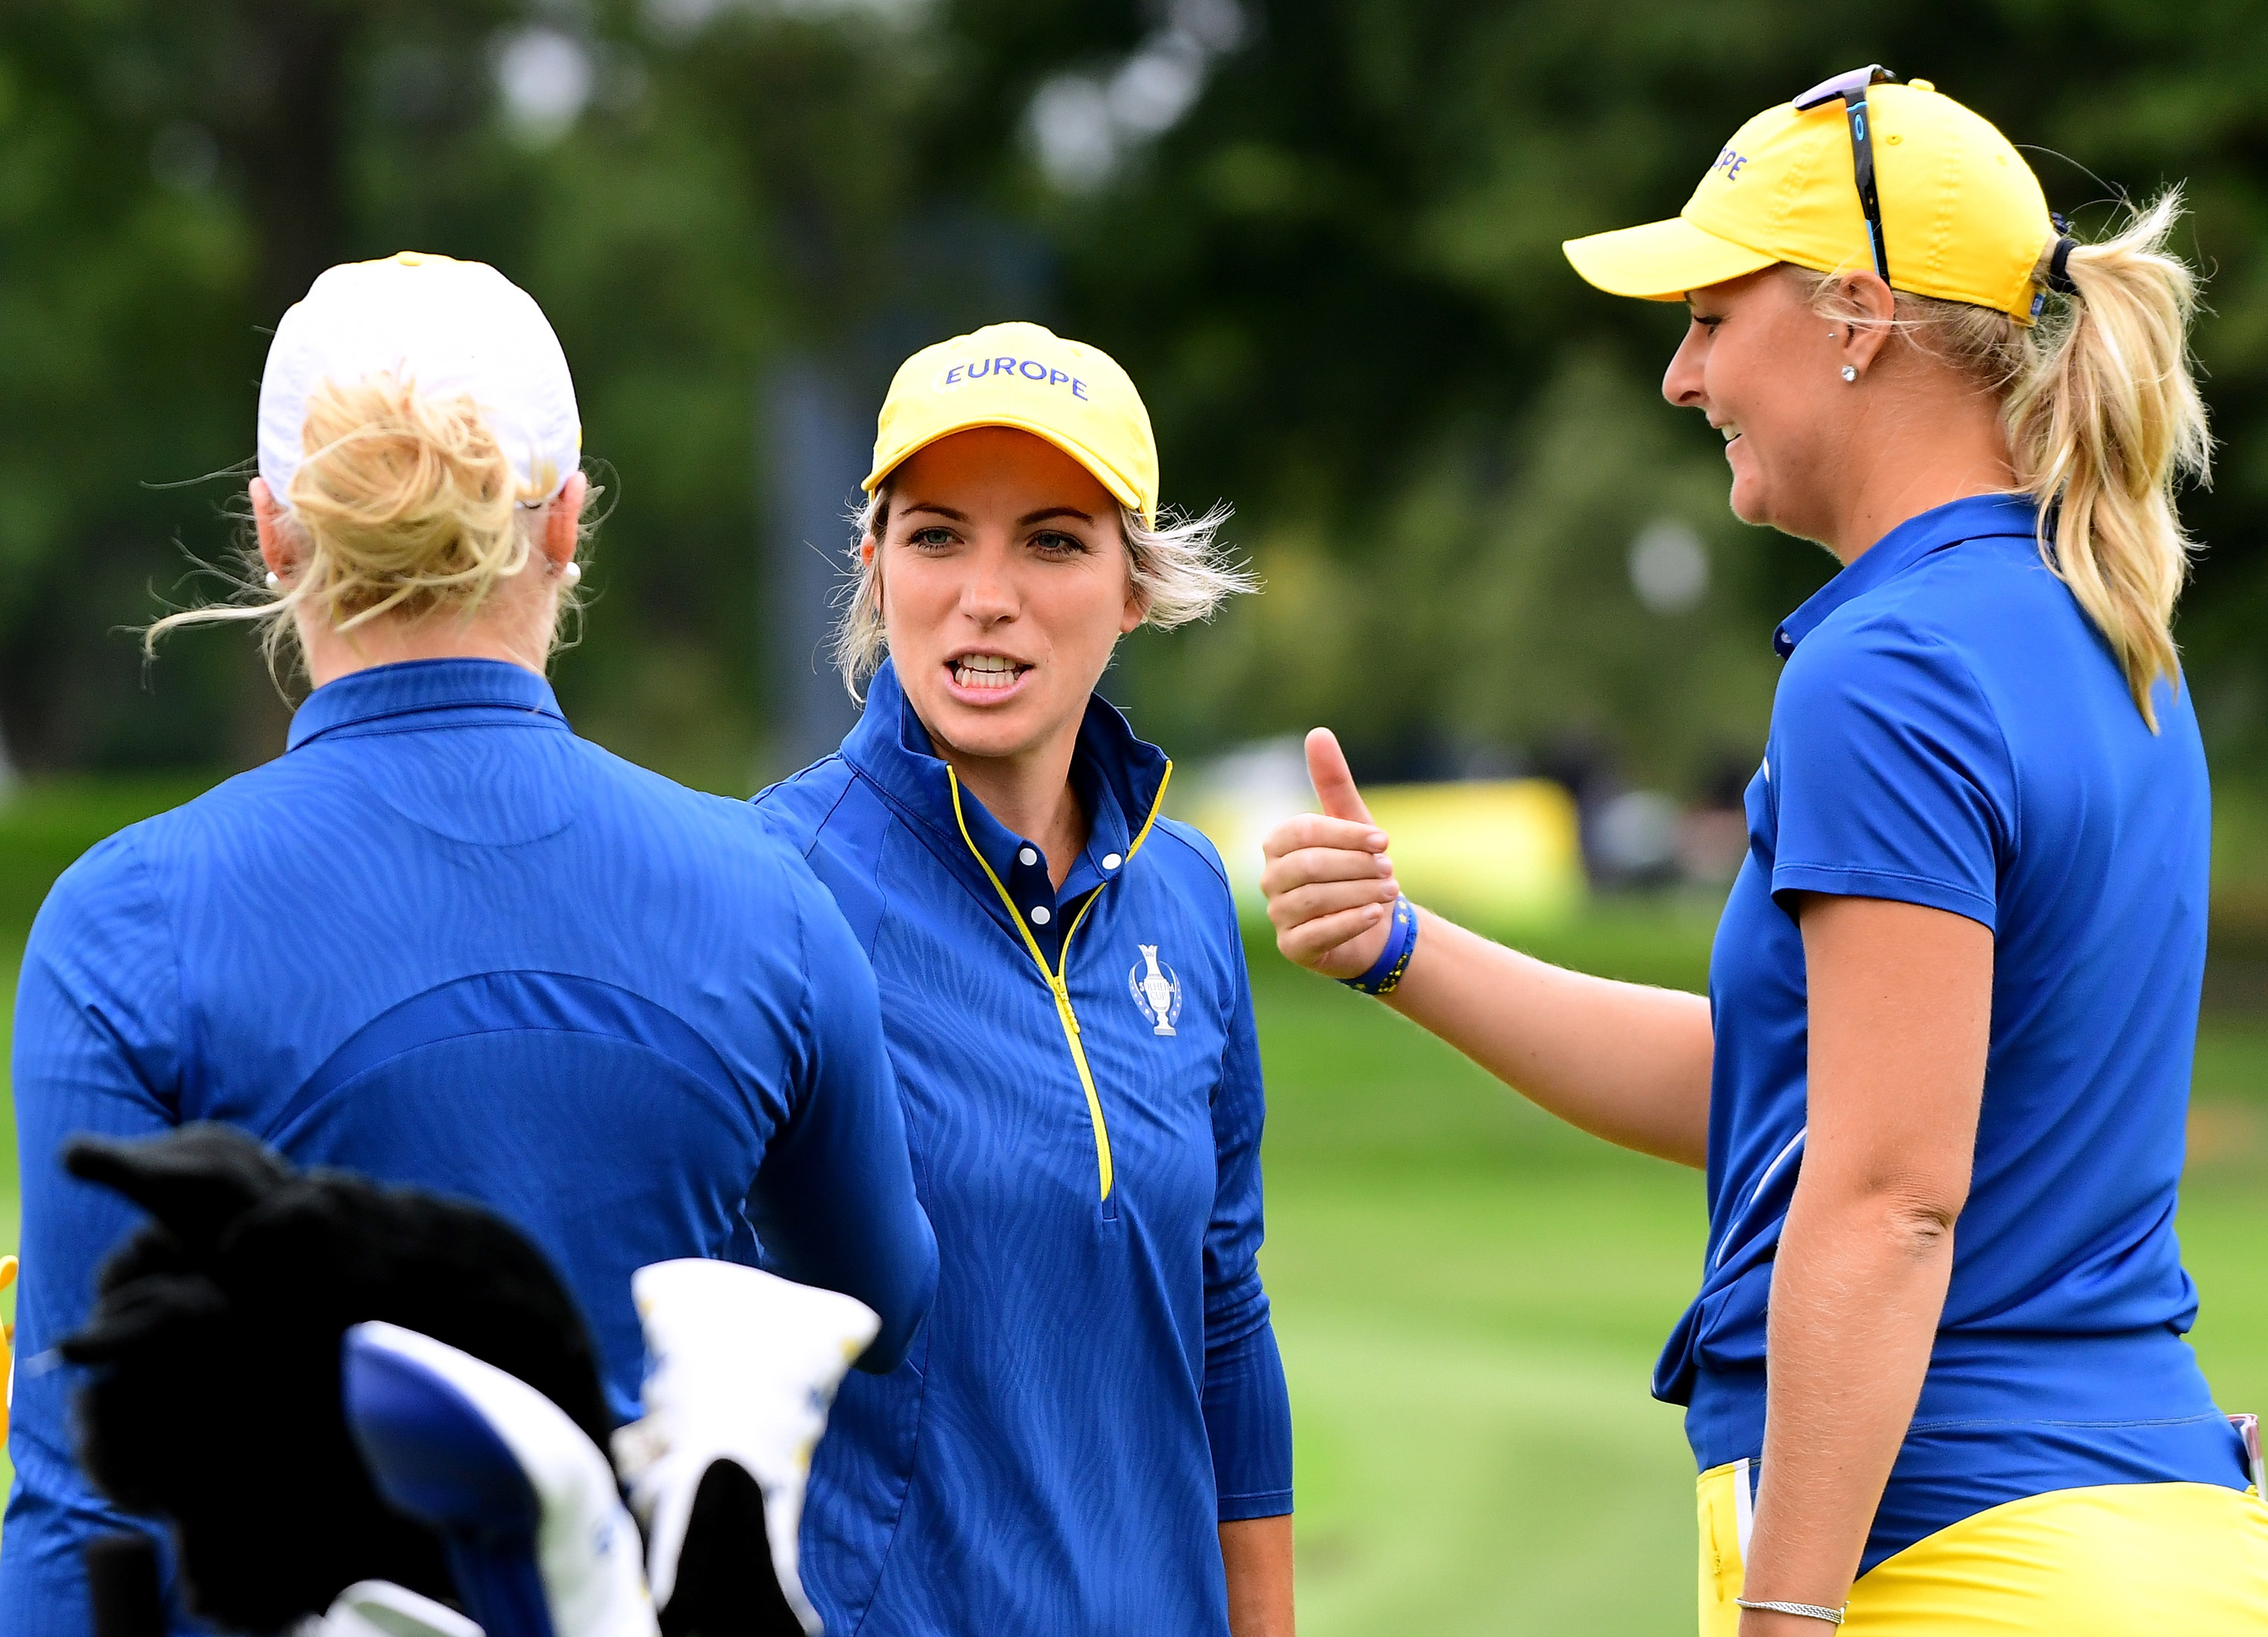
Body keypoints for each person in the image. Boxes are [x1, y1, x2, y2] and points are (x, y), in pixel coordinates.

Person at [1261, 70, 2268, 1635]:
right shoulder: (2104, 634)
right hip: (2151, 1532)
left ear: (1855, 315)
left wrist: (1785, 1612)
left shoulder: (1890, 666)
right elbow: (1786, 1093)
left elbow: (1882, 1199)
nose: (1679, 376)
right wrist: (1404, 945)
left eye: (1709, 317)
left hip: (1961, 1559)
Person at [4, 252, 937, 1636]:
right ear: (566, 523)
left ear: (270, 528)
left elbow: (84, 1511)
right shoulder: (769, 900)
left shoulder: (124, 918)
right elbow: (882, 1303)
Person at [753, 321, 1291, 1636]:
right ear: (874, 569)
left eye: (1052, 540)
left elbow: (1224, 1314)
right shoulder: (763, 888)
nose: (985, 595)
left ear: (1136, 587)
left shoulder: (1188, 897)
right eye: (938, 536)